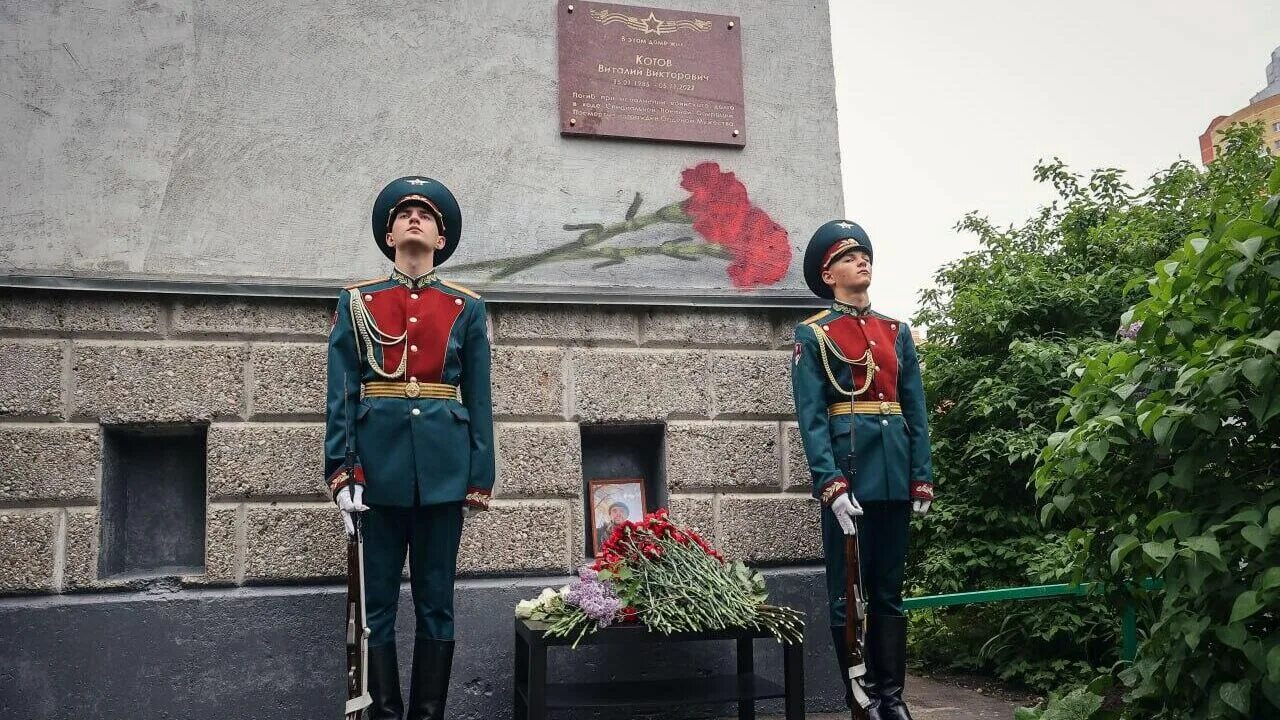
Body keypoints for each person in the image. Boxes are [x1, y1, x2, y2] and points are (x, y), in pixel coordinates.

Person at [325, 176, 495, 720]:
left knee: (436, 607)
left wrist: (478, 473)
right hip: (377, 472)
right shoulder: (358, 302)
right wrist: (343, 471)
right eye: (405, 214)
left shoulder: (466, 306)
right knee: (375, 610)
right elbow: (344, 392)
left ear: (440, 240)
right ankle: (385, 715)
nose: (416, 218)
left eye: (428, 215)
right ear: (390, 234)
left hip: (444, 474)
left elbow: (480, 396)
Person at [790, 220, 933, 720]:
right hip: (849, 479)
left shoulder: (896, 332)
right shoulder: (813, 335)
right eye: (849, 258)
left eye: (864, 255)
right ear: (828, 275)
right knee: (846, 594)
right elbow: (810, 416)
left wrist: (922, 475)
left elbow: (914, 410)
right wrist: (829, 484)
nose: (862, 262)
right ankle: (861, 696)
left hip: (894, 475)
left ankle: (893, 698)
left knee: (889, 591)